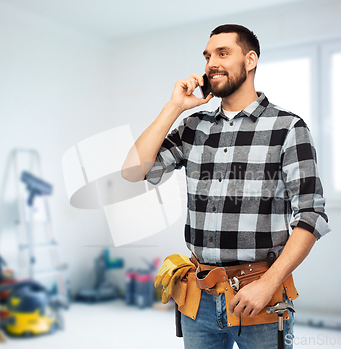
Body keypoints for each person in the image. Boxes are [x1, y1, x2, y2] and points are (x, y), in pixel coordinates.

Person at [122, 24, 330, 349]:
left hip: (259, 296)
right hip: (198, 296)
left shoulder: (287, 127)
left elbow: (311, 216)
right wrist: (174, 107)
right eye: (207, 56)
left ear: (250, 60)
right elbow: (133, 171)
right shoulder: (194, 127)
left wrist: (267, 285)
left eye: (222, 53)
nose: (210, 64)